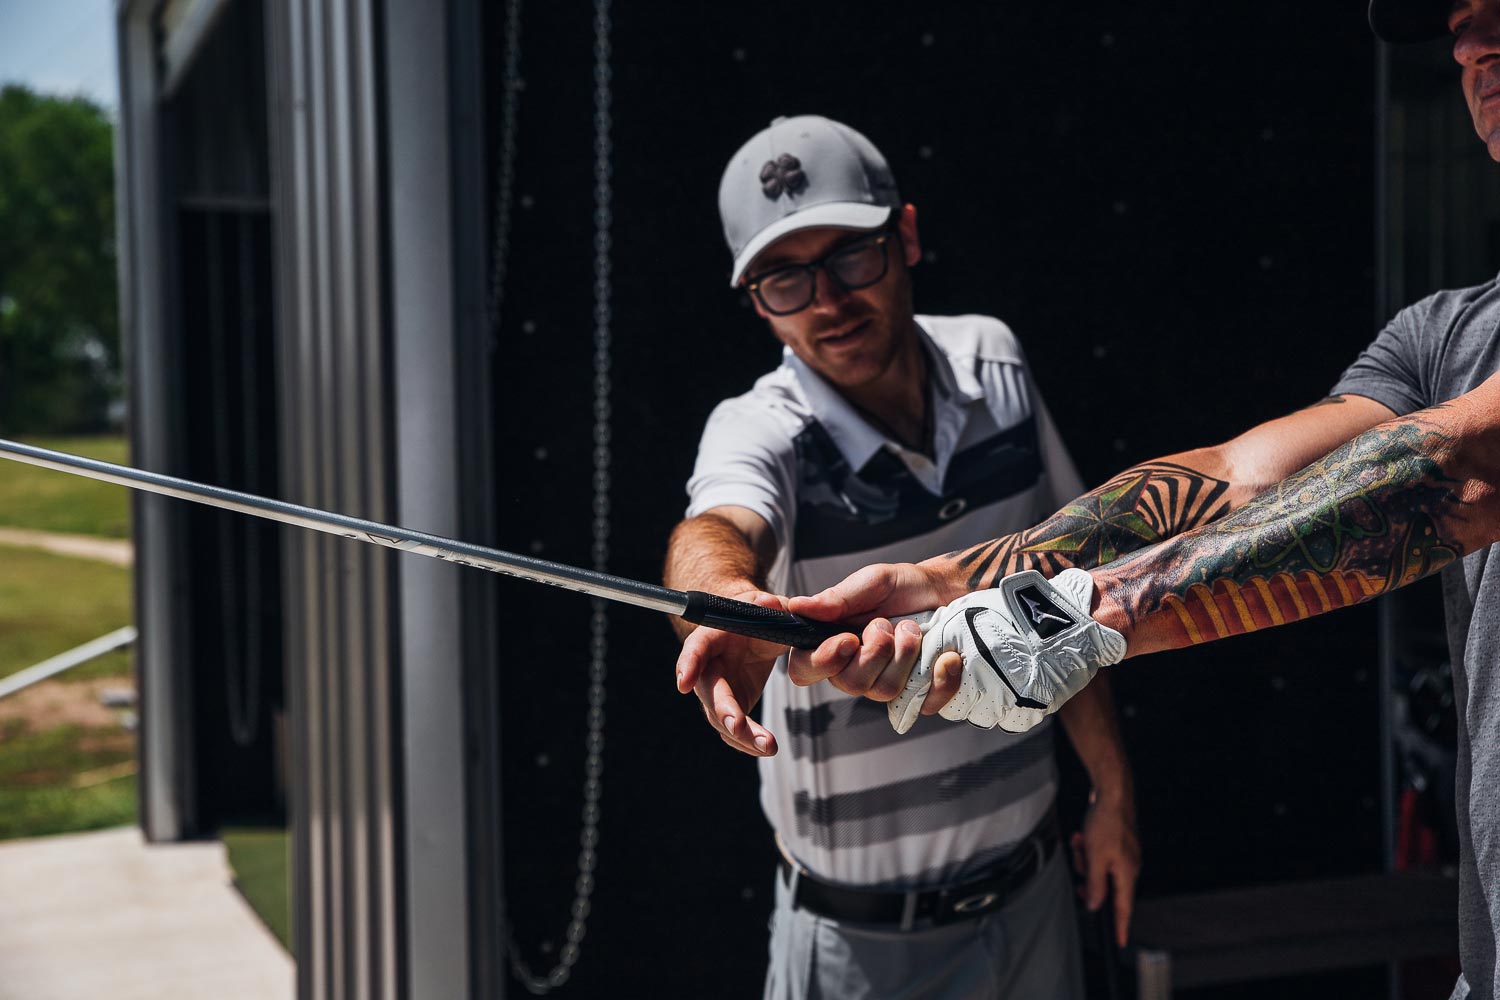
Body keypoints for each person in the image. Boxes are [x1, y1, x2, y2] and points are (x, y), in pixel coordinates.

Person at [784, 4, 1500, 997]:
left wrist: (1077, 620)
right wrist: (941, 580)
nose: (1470, 47)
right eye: (1459, 23)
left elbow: (1456, 472)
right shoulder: (1449, 334)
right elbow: (1240, 478)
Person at [664, 114, 1139, 999]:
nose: (827, 302)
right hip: (859, 952)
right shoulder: (759, 428)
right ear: (753, 298)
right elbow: (719, 527)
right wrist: (724, 596)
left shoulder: (996, 363)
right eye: (783, 280)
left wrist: (1112, 794)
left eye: (850, 255)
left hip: (1039, 900)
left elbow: (1071, 595)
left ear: (906, 236)